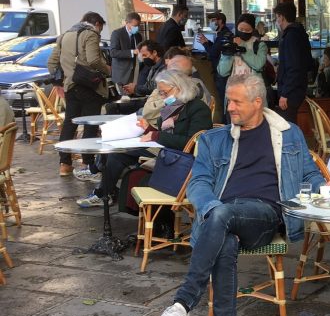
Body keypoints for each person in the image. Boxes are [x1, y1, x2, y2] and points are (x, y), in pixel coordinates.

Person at [142, 73, 330, 316]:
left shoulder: (288, 135)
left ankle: (181, 305)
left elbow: (308, 176)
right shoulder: (212, 140)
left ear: (257, 103)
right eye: (229, 100)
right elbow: (199, 184)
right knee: (224, 238)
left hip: (264, 215)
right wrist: (211, 209)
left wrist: (326, 186)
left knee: (221, 219)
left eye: (236, 101)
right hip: (221, 218)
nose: (229, 107)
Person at [75, 70, 213, 209]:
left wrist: (156, 135)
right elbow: (167, 135)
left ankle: (105, 193)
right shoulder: (173, 107)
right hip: (167, 153)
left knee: (133, 172)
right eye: (160, 93)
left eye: (164, 93)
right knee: (117, 154)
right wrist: (148, 129)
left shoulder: (197, 108)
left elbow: (192, 143)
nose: (162, 97)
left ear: (179, 88)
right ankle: (103, 194)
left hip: (182, 161)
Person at [47, 12, 111, 179]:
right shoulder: (90, 34)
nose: (100, 31)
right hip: (90, 86)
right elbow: (93, 60)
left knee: (70, 123)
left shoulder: (64, 35)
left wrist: (59, 82)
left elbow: (52, 62)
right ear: (96, 23)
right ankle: (87, 163)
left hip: (71, 86)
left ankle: (65, 164)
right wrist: (108, 69)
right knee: (90, 124)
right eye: (100, 28)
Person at [273, 2, 312, 123]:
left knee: (286, 126)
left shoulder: (290, 36)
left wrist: (285, 94)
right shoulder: (299, 33)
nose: (276, 21)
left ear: (281, 17)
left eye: (277, 17)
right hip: (298, 88)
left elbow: (293, 67)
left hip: (291, 91)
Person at [217, 13, 268, 82]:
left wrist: (242, 46)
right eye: (241, 29)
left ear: (252, 29)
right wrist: (228, 53)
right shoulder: (231, 42)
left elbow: (259, 65)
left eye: (247, 30)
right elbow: (223, 72)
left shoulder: (260, 45)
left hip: (254, 89)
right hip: (235, 89)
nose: (243, 32)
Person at [197, 11, 232, 111]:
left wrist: (205, 44)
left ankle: (226, 123)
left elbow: (213, 53)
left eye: (213, 20)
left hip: (222, 73)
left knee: (223, 101)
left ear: (220, 21)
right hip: (223, 71)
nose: (211, 23)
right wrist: (208, 42)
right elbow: (218, 49)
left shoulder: (224, 35)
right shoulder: (223, 33)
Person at [109, 12, 143, 96]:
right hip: (121, 73)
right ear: (127, 23)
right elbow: (113, 52)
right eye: (135, 26)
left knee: (131, 97)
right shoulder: (117, 34)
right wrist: (132, 52)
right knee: (121, 98)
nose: (137, 28)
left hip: (134, 71)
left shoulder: (138, 36)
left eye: (138, 25)